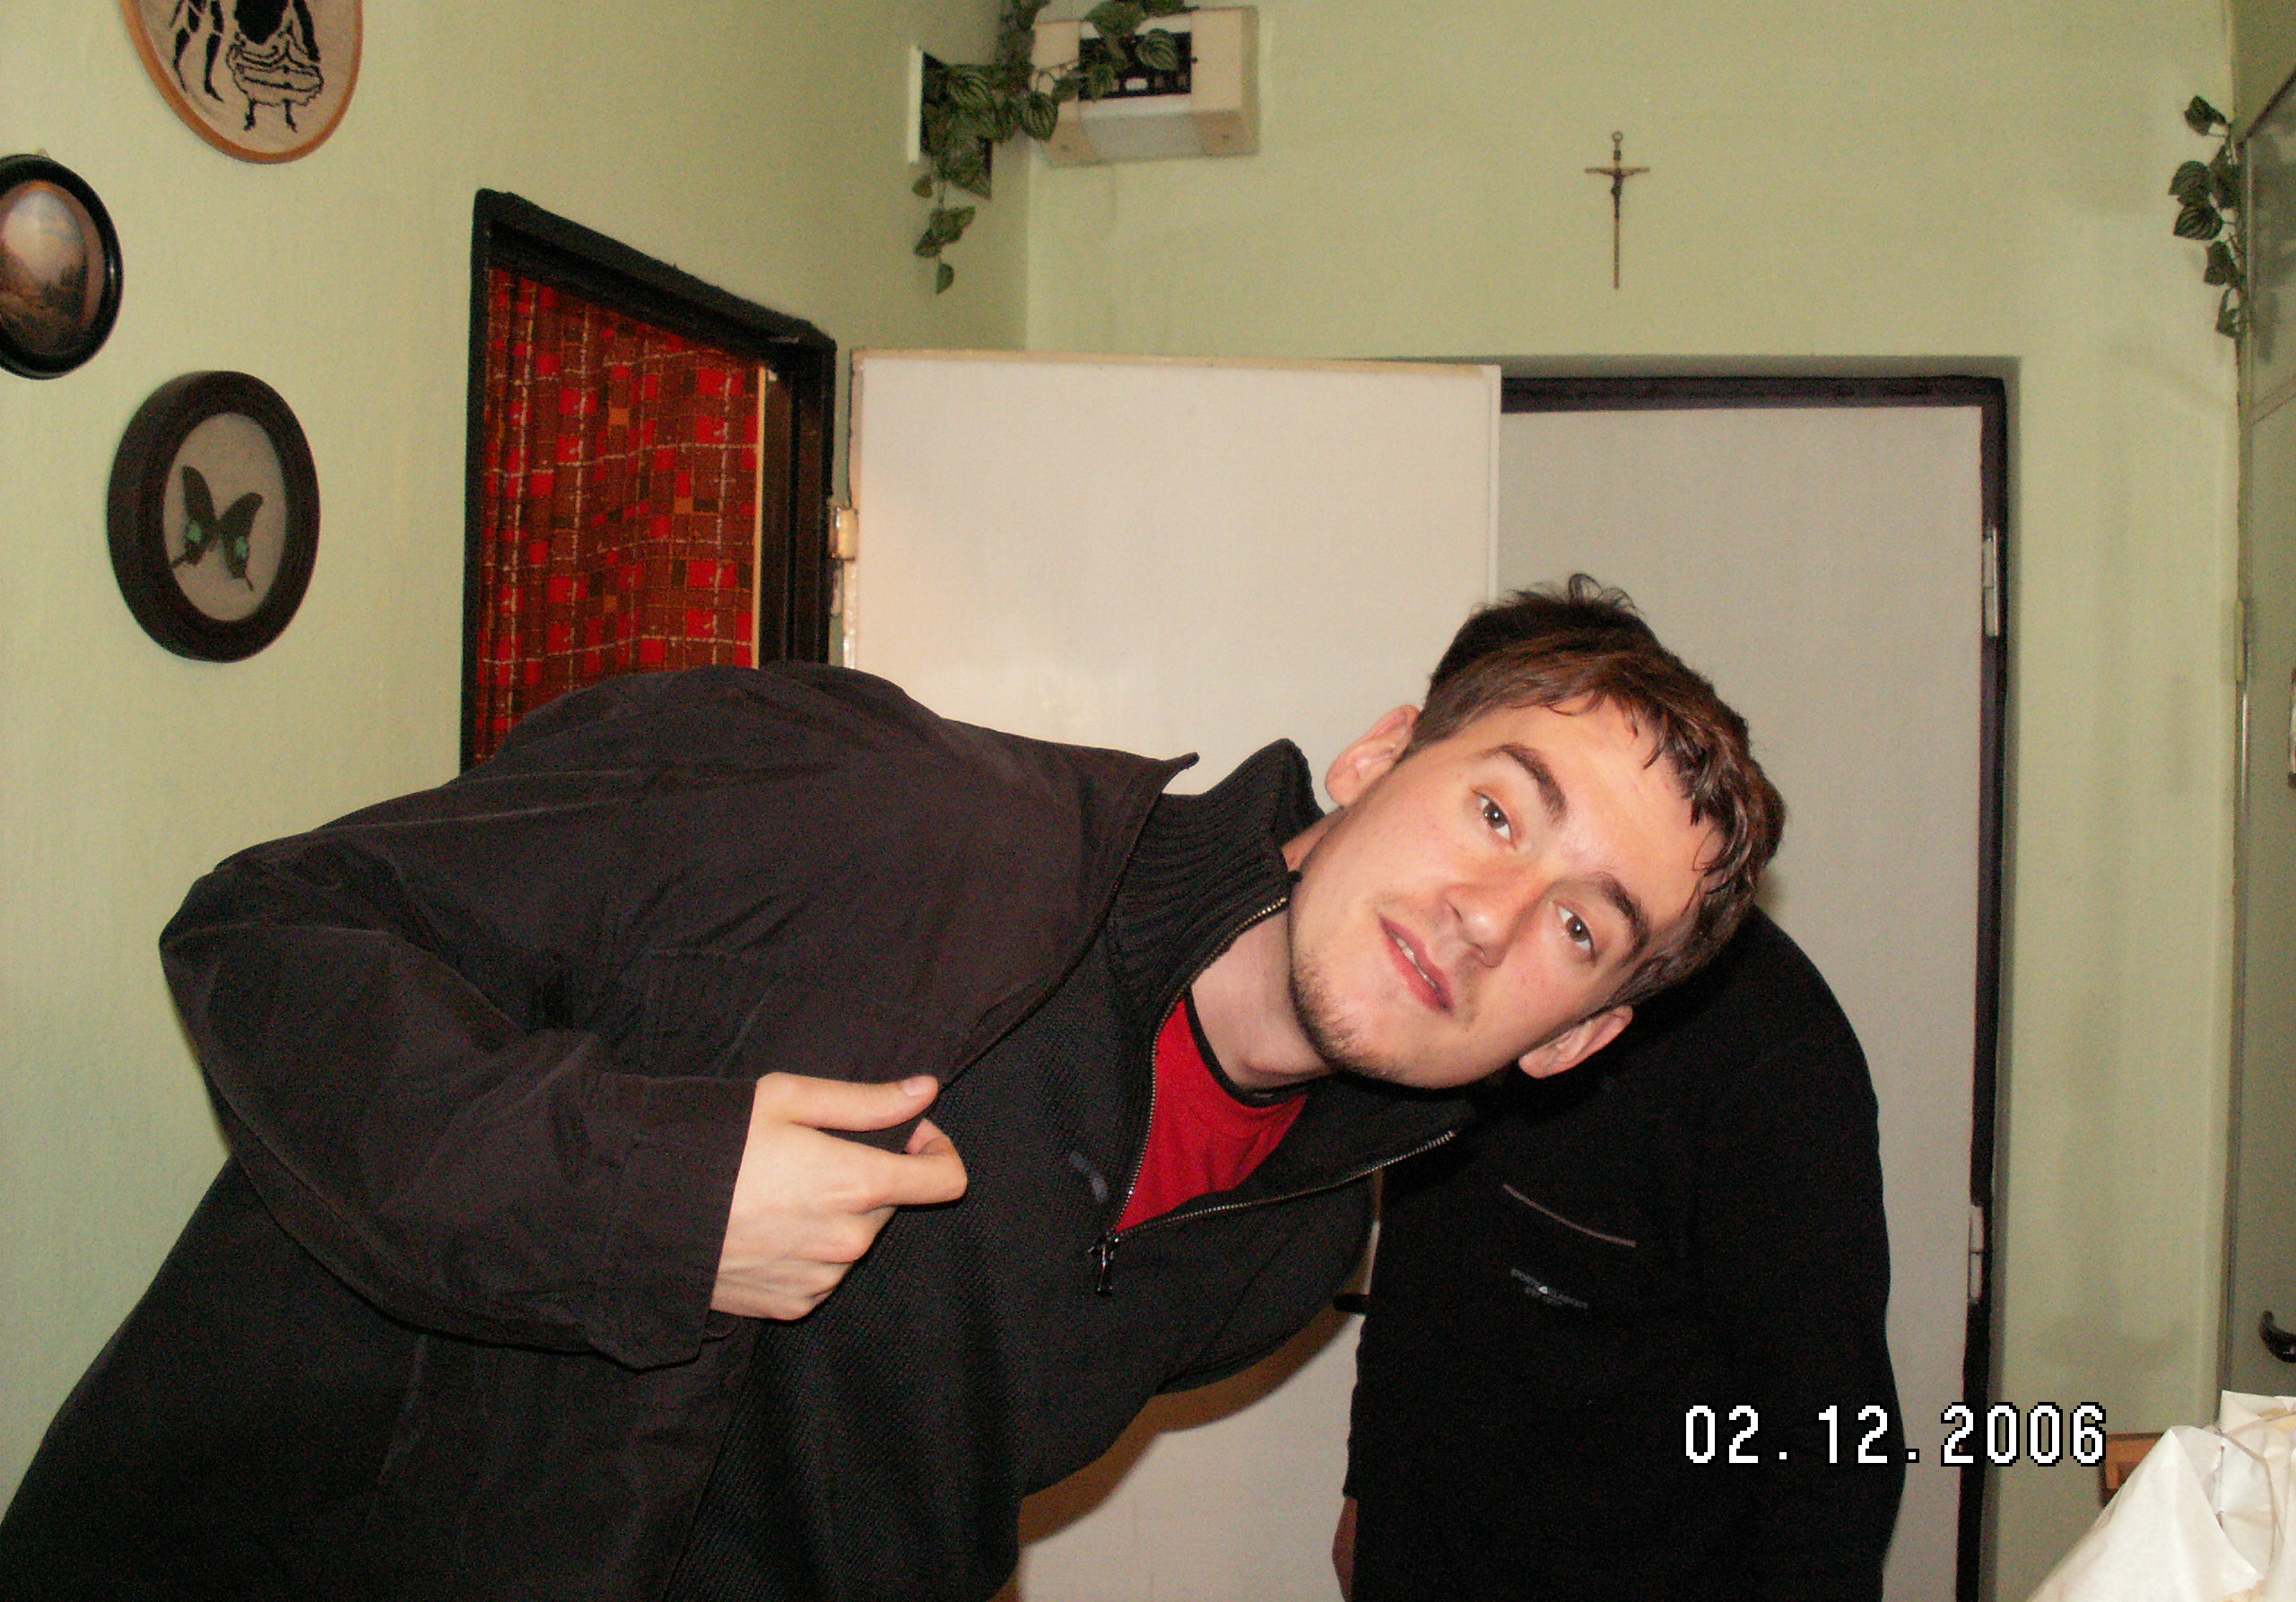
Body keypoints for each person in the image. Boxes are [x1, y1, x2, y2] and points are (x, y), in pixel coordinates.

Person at [0, 577, 1781, 1602]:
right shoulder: (898, 818)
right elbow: (277, 926)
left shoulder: (1290, 1246)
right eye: (1497, 807)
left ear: (1575, 1039)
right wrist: (659, 1195)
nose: (1486, 916)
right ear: (1382, 754)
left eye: (1580, 928)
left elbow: (894, 1494)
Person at [1334, 608, 1901, 1602]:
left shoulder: (1773, 1063)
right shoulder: (1426, 1001)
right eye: (1492, 809)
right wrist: (1365, 1495)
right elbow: (1420, 1284)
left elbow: (1833, 1434)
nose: (1486, 906)